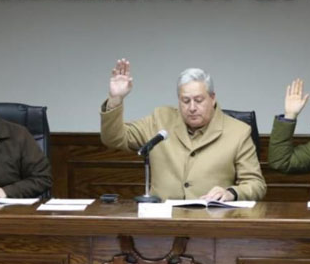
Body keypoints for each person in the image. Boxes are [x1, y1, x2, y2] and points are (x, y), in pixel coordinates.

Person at [100, 59, 266, 201]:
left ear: (213, 98)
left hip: (211, 222)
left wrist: (231, 193)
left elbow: (255, 184)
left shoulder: (238, 132)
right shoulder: (160, 119)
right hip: (162, 221)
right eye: (185, 101)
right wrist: (116, 99)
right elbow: (114, 139)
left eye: (199, 100)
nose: (192, 107)